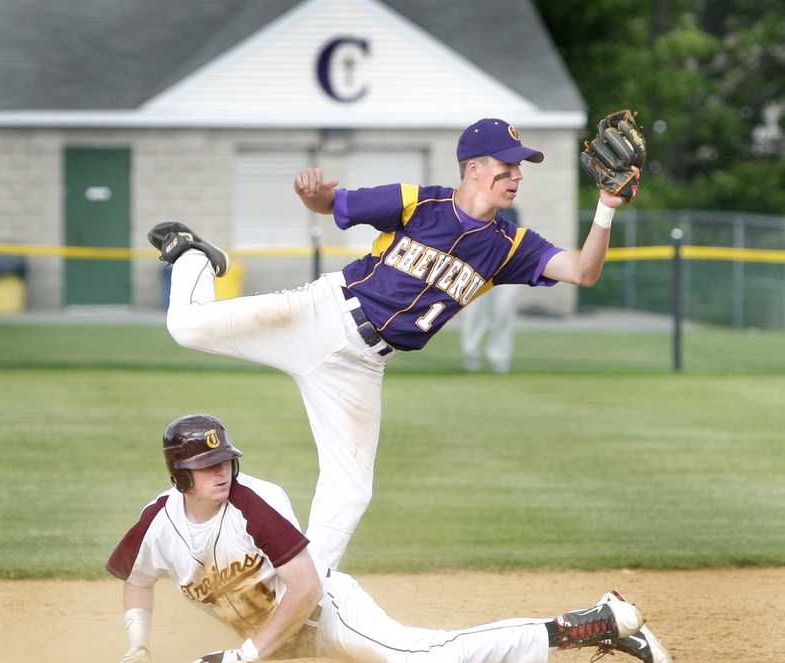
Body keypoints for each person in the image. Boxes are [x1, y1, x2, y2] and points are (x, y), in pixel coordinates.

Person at [149, 118, 639, 570]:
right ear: (474, 168)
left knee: (351, 491)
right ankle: (194, 254)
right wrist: (311, 195)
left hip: (360, 367)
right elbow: (333, 205)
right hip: (322, 315)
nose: (516, 176)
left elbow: (582, 272)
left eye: (519, 168)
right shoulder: (418, 202)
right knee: (186, 327)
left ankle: (299, 593)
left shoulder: (511, 246)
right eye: (507, 166)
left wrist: (605, 208)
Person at [106, 414, 678, 663]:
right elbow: (138, 575)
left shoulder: (257, 501)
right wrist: (139, 645)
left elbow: (305, 588)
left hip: (327, 614)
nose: (222, 472)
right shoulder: (159, 522)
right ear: (180, 475)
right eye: (206, 466)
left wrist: (245, 654)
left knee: (420, 661)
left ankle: (591, 623)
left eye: (225, 460)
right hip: (285, 644)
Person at [460, 205, 522, 372]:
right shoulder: (470, 208)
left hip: (506, 270)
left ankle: (499, 358)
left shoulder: (511, 210)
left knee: (504, 312)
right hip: (477, 269)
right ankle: (471, 357)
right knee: (474, 313)